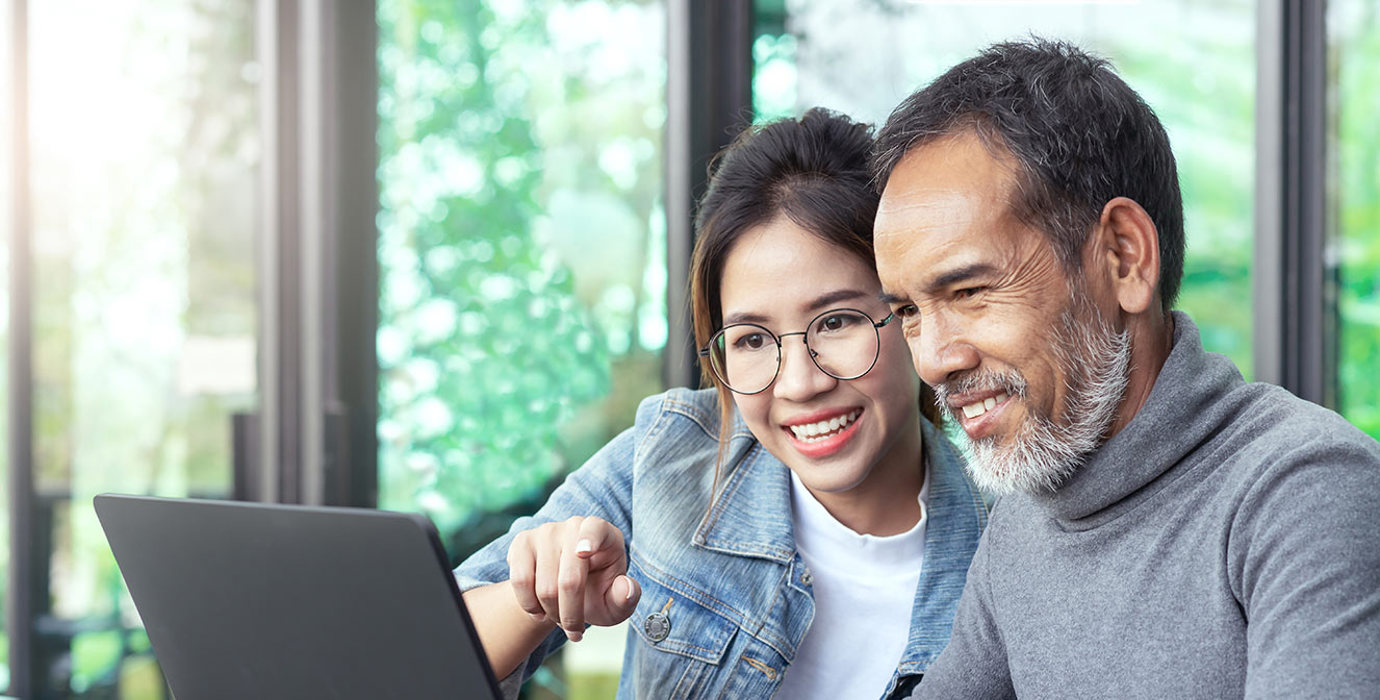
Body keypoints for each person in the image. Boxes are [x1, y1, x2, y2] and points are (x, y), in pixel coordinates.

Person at [867, 39, 1380, 698]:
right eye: (908, 311)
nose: (935, 359)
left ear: (1124, 258)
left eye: (968, 292)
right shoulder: (1024, 521)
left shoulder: (1305, 492)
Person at [454, 108, 988, 699]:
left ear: (909, 313)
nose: (799, 384)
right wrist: (538, 596)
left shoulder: (1005, 545)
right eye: (752, 340)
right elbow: (422, 656)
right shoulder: (673, 453)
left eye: (837, 321)